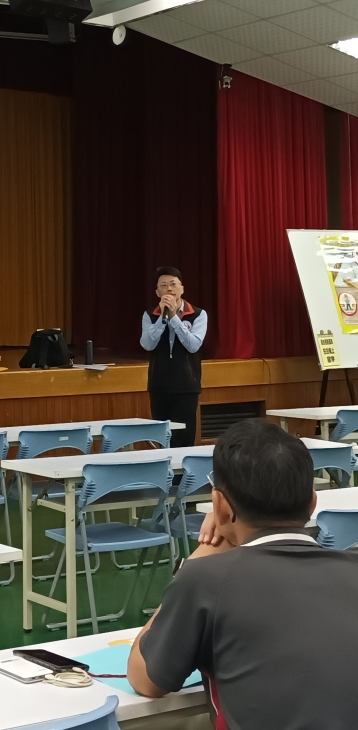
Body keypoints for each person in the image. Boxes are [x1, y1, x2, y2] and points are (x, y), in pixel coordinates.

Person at [127, 418, 358, 730]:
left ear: (220, 505)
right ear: (312, 503)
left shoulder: (207, 580)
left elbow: (144, 678)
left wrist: (208, 548)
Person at [140, 266, 207, 447]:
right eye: (163, 285)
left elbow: (193, 345)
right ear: (157, 292)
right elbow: (147, 344)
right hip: (158, 385)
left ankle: (183, 468)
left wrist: (174, 318)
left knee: (183, 439)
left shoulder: (198, 314)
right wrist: (163, 318)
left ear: (182, 289)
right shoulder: (150, 315)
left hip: (186, 386)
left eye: (173, 284)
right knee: (162, 438)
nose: (169, 289)